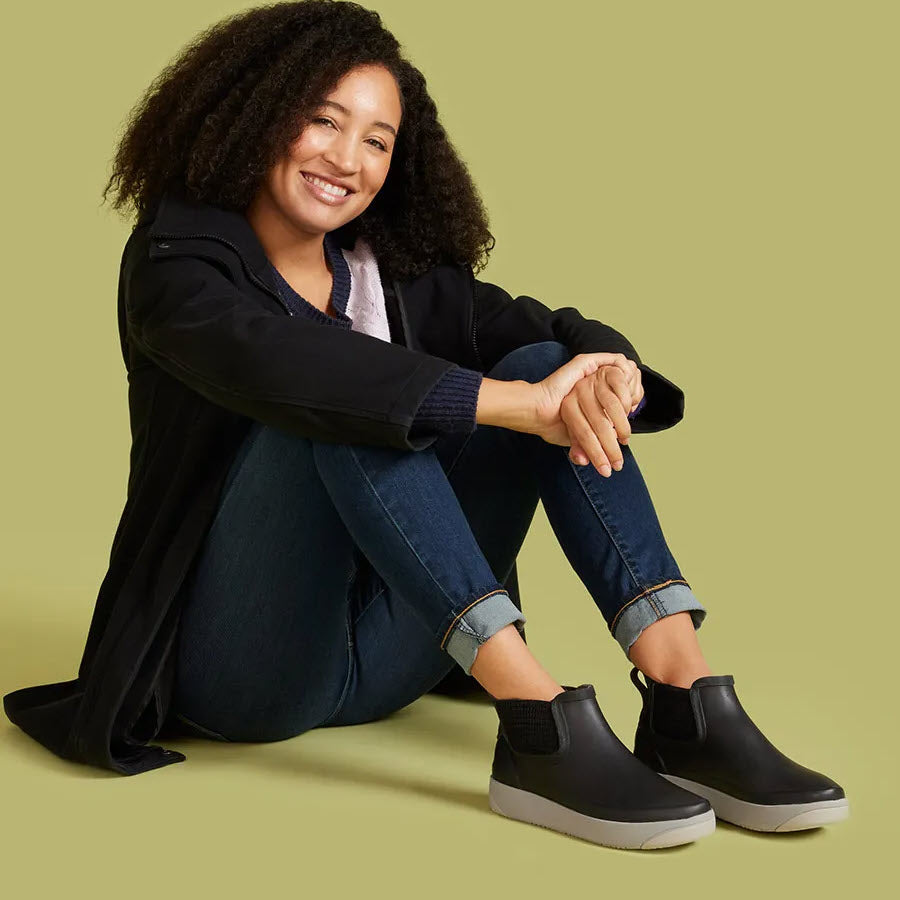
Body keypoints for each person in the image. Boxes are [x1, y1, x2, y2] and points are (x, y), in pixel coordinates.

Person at [3, 0, 848, 849]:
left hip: (399, 654)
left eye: (377, 139)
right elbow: (291, 366)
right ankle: (537, 721)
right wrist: (523, 408)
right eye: (322, 121)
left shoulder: (388, 272)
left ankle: (683, 698)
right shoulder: (177, 263)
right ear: (256, 114)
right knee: (352, 396)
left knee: (537, 365)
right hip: (242, 670)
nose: (348, 158)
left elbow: (546, 329)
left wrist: (608, 368)